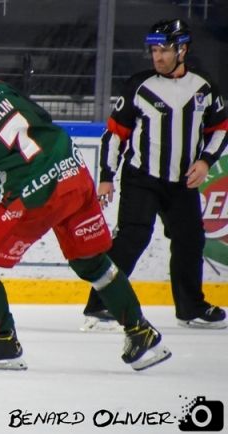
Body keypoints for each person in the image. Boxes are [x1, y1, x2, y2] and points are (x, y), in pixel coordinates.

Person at [0, 54, 171, 371]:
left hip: (37, 195)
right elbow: (37, 122)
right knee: (90, 261)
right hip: (74, 173)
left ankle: (2, 342)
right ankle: (141, 333)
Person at [82, 19, 228, 331]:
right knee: (132, 239)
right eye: (153, 50)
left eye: (164, 50)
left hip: (182, 182)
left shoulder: (203, 86)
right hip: (142, 178)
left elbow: (219, 130)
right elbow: (114, 135)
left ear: (183, 49)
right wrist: (107, 176)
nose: (157, 57)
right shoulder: (139, 85)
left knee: (190, 241)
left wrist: (204, 161)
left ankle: (190, 307)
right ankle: (100, 305)